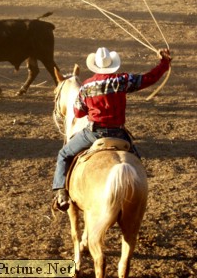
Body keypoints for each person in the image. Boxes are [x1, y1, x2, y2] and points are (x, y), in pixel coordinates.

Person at [53, 46, 172, 211]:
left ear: (95, 65)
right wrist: (164, 63)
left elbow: (78, 113)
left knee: (64, 154)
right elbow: (149, 78)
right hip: (119, 133)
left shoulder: (86, 86)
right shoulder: (122, 80)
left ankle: (61, 193)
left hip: (93, 133)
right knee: (137, 160)